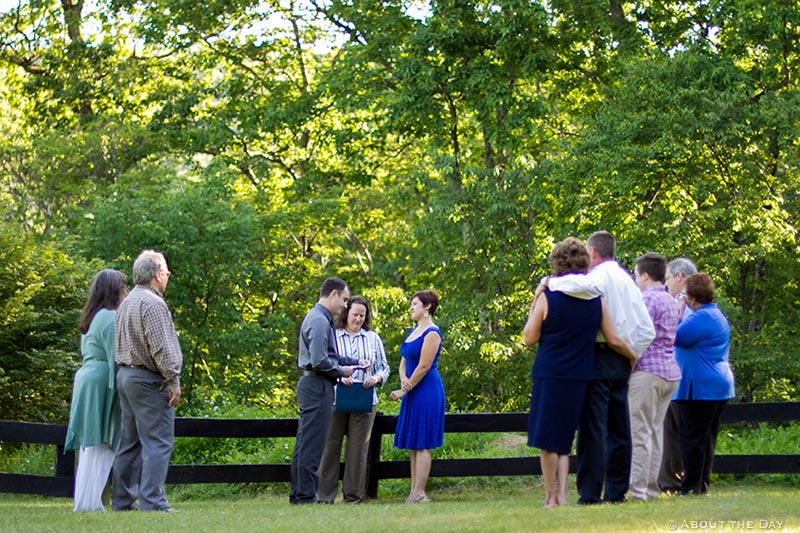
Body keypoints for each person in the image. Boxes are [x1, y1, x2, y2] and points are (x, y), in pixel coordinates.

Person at [523, 238, 637, 508]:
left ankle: (551, 497)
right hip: (582, 374)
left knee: (547, 439)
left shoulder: (548, 295)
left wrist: (536, 298)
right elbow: (612, 338)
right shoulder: (596, 299)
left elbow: (529, 337)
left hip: (551, 372)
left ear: (556, 263)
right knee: (564, 438)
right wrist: (632, 355)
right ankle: (563, 494)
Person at [546, 230, 655, 504]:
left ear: (592, 253)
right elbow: (646, 329)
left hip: (598, 354)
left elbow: (569, 288)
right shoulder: (628, 281)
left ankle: (591, 492)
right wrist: (632, 356)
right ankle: (617, 490)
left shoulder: (595, 278)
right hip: (622, 359)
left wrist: (547, 282)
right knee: (620, 428)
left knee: (593, 427)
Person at [112, 250, 183, 512]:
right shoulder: (153, 304)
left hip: (126, 375)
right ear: (156, 275)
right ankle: (153, 502)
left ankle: (122, 500)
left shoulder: (128, 300)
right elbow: (161, 348)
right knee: (158, 441)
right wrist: (173, 379)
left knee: (129, 441)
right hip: (149, 380)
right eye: (165, 271)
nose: (168, 275)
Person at [290, 277, 368, 505]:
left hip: (315, 384)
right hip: (317, 385)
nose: (345, 305)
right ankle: (305, 496)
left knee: (306, 441)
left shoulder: (319, 318)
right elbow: (319, 360)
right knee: (313, 444)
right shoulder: (320, 321)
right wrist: (342, 371)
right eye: (344, 300)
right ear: (332, 294)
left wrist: (354, 361)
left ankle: (299, 494)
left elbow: (328, 355)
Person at [64, 269, 128, 512]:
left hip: (87, 379)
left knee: (91, 443)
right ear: (115, 291)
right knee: (102, 439)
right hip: (101, 380)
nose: (126, 292)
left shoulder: (93, 317)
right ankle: (91, 501)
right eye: (123, 287)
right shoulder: (110, 318)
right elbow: (117, 358)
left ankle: (87, 499)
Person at [318, 295, 391, 504]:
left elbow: (384, 368)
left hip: (365, 400)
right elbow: (325, 363)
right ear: (346, 313)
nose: (358, 319)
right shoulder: (333, 335)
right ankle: (324, 496)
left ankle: (353, 496)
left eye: (362, 315)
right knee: (330, 446)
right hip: (336, 399)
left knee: (358, 449)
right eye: (355, 314)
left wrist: (376, 378)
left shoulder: (372, 338)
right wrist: (339, 375)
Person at [673, 273, 735, 495]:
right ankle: (701, 485)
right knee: (706, 438)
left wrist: (679, 309)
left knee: (692, 438)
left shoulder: (701, 318)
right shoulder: (714, 314)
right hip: (716, 385)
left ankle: (690, 487)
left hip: (700, 388)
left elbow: (676, 336)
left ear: (691, 296)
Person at [627, 253, 682, 501]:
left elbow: (641, 334)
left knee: (640, 432)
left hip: (647, 371)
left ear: (645, 275)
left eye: (637, 275)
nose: (636, 280)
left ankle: (637, 490)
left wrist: (628, 361)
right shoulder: (671, 300)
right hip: (670, 372)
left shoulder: (646, 299)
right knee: (655, 433)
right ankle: (650, 487)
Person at [389, 290, 445, 504]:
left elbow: (424, 366)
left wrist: (405, 389)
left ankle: (420, 493)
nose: (411, 308)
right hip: (412, 389)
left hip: (426, 390)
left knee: (422, 443)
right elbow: (404, 361)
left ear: (427, 307)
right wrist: (403, 380)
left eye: (415, 304)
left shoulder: (432, 333)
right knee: (413, 443)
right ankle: (413, 492)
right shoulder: (413, 331)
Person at [658, 257, 698, 493]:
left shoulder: (686, 306)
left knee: (672, 433)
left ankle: (672, 481)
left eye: (668, 278)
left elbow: (676, 337)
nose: (666, 283)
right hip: (679, 377)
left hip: (678, 378)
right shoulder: (688, 305)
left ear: (680, 277)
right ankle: (672, 479)